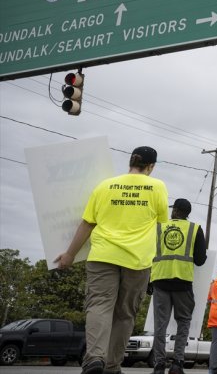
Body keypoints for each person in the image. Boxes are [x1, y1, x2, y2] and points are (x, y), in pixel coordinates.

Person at [54, 146, 169, 374]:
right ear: (151, 166)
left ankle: (94, 359)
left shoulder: (104, 185)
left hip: (102, 256)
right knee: (125, 313)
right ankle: (112, 366)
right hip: (137, 261)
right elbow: (161, 224)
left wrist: (69, 255)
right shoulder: (157, 187)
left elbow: (87, 223)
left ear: (131, 162)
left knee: (98, 306)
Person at [150, 198, 207, 374]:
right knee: (183, 323)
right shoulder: (195, 229)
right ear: (187, 213)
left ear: (175, 210)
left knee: (160, 324)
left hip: (160, 282)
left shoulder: (159, 228)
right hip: (182, 283)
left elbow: (149, 254)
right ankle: (177, 363)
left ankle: (159, 365)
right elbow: (199, 260)